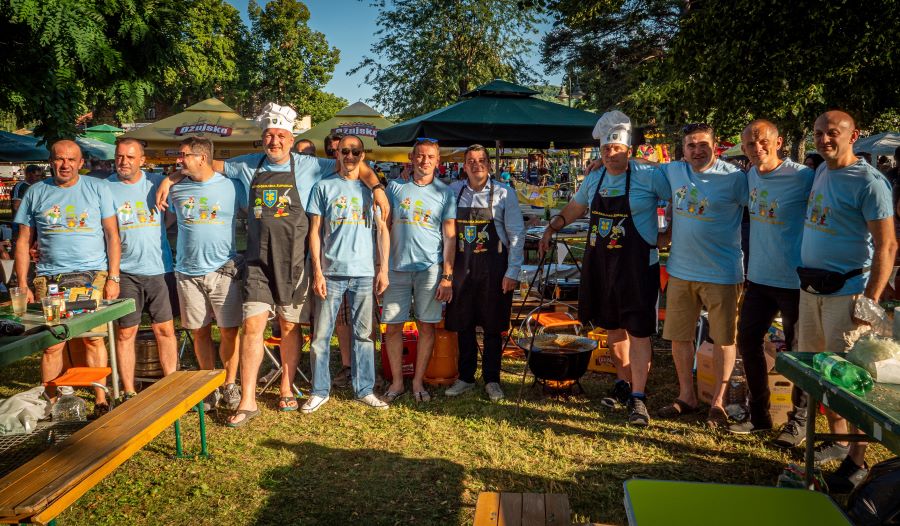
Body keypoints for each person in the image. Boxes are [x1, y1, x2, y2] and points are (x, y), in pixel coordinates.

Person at [539, 111, 668, 426]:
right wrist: (552, 227)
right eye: (606, 149)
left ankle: (638, 397)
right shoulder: (594, 177)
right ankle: (623, 382)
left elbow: (678, 198)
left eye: (617, 149)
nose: (611, 154)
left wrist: (668, 235)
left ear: (628, 150)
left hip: (638, 266)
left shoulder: (648, 175)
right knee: (613, 328)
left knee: (638, 331)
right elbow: (576, 206)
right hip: (603, 265)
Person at [797, 110, 896, 492]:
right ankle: (838, 442)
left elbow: (887, 245)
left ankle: (857, 461)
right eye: (819, 132)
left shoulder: (870, 182)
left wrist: (869, 301)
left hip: (847, 294)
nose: (824, 139)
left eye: (833, 133)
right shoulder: (822, 170)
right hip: (811, 291)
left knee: (848, 381)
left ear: (853, 135)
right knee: (819, 375)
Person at [13, 140, 120, 414]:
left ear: (81, 163)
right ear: (51, 162)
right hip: (50, 278)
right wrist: (22, 283)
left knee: (93, 337)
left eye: (72, 159)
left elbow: (112, 234)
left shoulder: (98, 188)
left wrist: (114, 277)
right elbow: (23, 241)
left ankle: (101, 399)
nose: (65, 165)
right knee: (53, 343)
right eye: (60, 159)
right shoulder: (35, 192)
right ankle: (49, 403)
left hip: (91, 275)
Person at [724, 121, 815, 441]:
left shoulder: (803, 176)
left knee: (798, 353)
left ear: (779, 142)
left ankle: (799, 420)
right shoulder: (747, 176)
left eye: (763, 141)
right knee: (748, 342)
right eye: (750, 144)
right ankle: (760, 415)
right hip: (759, 279)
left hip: (795, 281)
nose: (757, 148)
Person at [656, 123, 748, 429]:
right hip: (681, 270)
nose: (697, 150)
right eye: (691, 145)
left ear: (715, 145)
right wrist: (602, 163)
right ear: (683, 149)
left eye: (703, 145)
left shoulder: (734, 177)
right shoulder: (674, 171)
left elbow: (759, 212)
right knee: (679, 336)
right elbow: (641, 167)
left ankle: (719, 402)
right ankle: (687, 396)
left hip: (722, 272)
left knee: (724, 338)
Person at [305, 135, 390, 412]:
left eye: (355, 152)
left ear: (362, 156)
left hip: (364, 272)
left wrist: (383, 269)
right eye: (345, 151)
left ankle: (364, 389)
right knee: (321, 336)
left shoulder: (372, 190)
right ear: (337, 154)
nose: (350, 156)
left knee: (364, 336)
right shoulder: (323, 186)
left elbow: (383, 232)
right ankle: (319, 390)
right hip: (331, 272)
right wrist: (317, 271)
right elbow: (315, 232)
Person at [168, 137, 245, 413]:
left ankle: (230, 383)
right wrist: (167, 181)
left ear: (202, 158)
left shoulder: (232, 186)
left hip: (223, 270)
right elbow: (164, 219)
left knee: (229, 330)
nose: (179, 160)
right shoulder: (176, 188)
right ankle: (208, 385)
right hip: (187, 272)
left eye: (183, 155)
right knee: (199, 332)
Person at [443, 145, 525, 402]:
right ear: (464, 166)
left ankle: (492, 380)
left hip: (494, 269)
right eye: (471, 161)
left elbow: (516, 234)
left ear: (489, 164)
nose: (476, 164)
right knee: (463, 323)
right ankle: (466, 377)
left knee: (492, 326)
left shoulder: (504, 193)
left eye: (481, 160)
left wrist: (512, 271)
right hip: (462, 268)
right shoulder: (453, 191)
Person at [381, 138, 456, 403]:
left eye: (430, 157)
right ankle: (397, 382)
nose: (425, 161)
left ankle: (417, 382)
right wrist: (381, 266)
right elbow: (384, 228)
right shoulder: (395, 187)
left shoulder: (445, 192)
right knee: (392, 327)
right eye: (420, 156)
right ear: (411, 159)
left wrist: (447, 276)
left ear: (438, 161)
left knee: (427, 327)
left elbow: (450, 236)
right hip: (396, 268)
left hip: (430, 269)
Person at [106, 139, 179, 400]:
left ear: (142, 160)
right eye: (119, 156)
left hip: (159, 268)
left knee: (165, 330)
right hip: (125, 272)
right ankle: (128, 390)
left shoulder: (156, 182)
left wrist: (169, 179)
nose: (123, 161)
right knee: (126, 332)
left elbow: (188, 171)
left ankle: (171, 385)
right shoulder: (105, 187)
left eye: (130, 157)